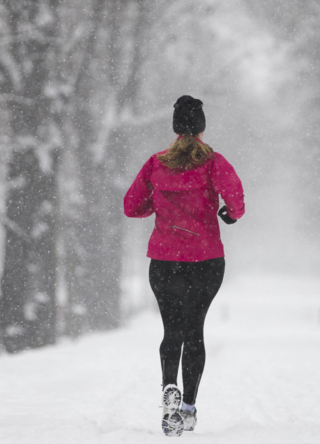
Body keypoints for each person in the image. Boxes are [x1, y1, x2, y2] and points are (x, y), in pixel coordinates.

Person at [123, 95, 245, 436]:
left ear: (175, 127)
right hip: (206, 261)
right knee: (194, 330)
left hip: (164, 261)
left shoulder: (156, 163)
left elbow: (132, 206)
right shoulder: (214, 162)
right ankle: (188, 408)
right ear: (202, 127)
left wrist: (159, 205)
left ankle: (168, 389)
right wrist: (228, 215)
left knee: (171, 329)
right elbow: (236, 200)